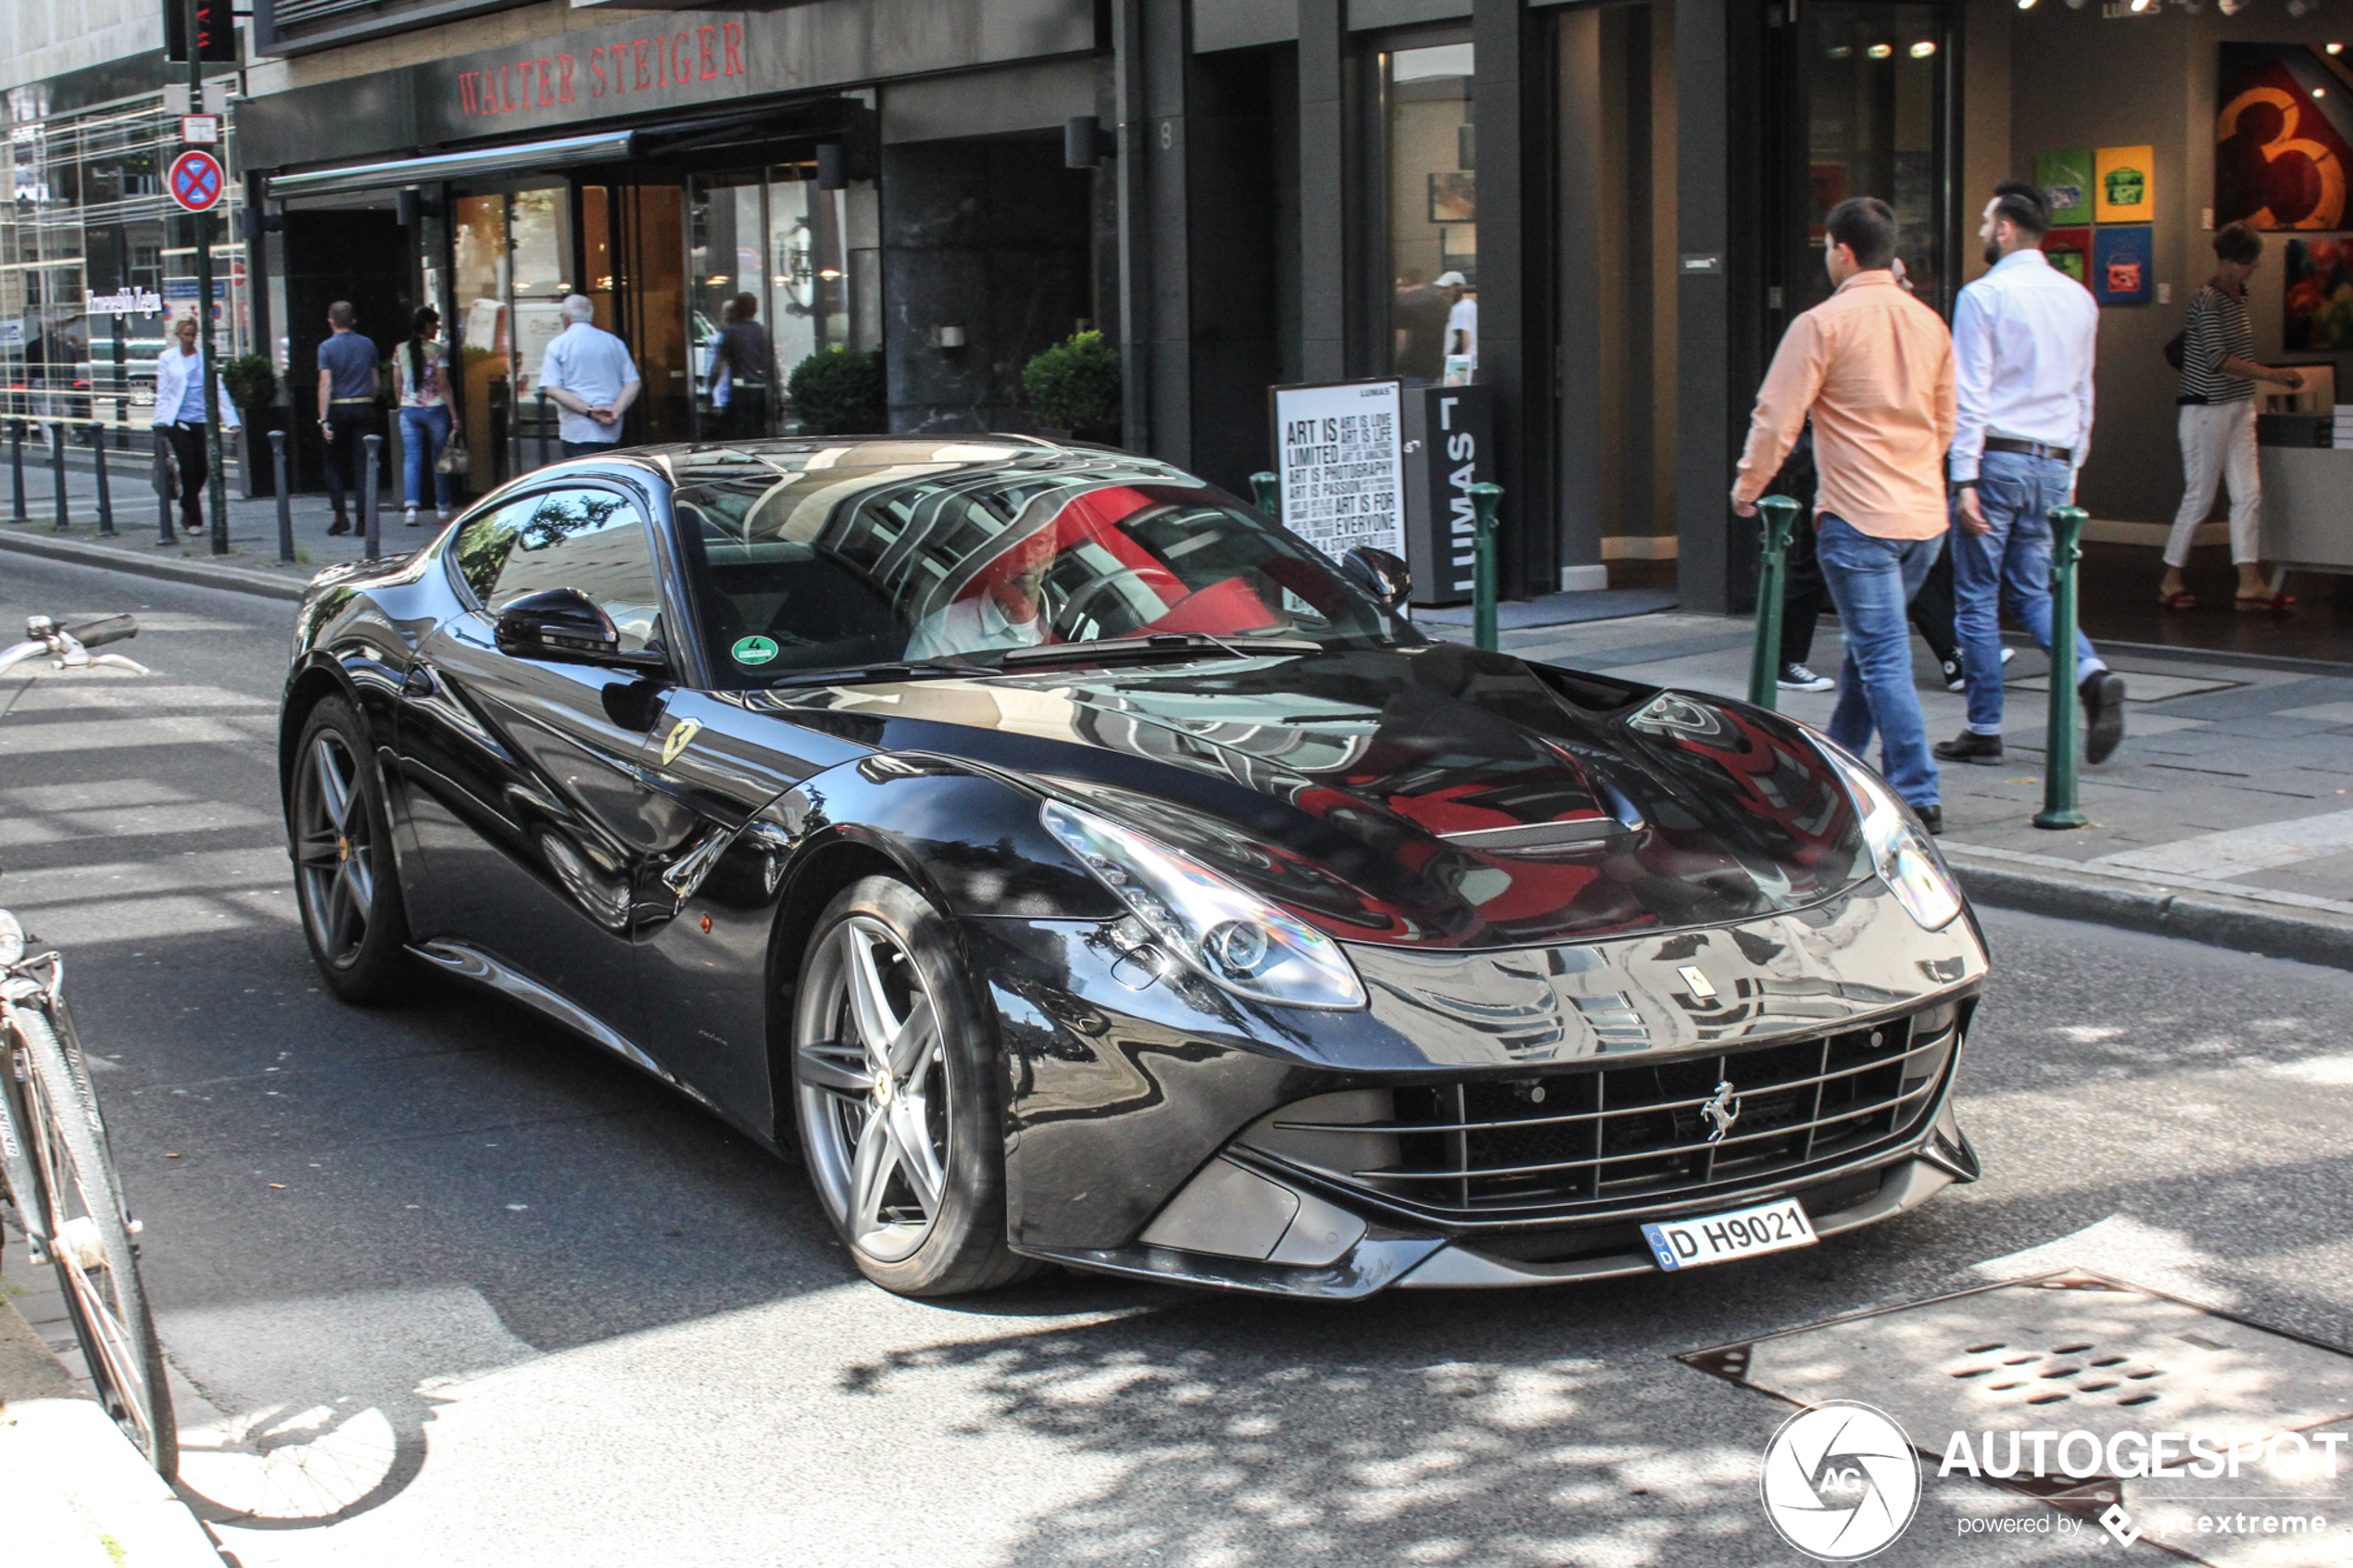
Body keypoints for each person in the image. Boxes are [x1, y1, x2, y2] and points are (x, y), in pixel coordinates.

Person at [1732, 196, 1956, 832]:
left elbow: (1777, 414)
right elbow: (1946, 422)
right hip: (1922, 517)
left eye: (1826, 247)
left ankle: (1917, 786)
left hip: (1859, 515)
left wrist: (1749, 484)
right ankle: (1834, 770)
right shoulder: (1928, 323)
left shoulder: (1821, 323)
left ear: (1842, 250)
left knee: (1881, 655)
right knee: (1870, 650)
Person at [1938, 180, 2126, 768]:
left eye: (1986, 222)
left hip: (1995, 459)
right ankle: (2091, 674)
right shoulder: (2078, 299)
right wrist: (2071, 472)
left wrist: (1963, 475)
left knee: (1975, 594)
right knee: (2033, 591)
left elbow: (1970, 393)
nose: (1980, 233)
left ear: (2006, 229)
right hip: (2051, 461)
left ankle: (1984, 726)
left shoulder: (1983, 296)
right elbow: (2083, 393)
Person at [2161, 222, 2303, 612]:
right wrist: (2272, 375)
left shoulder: (2237, 295)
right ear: (2226, 261)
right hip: (2206, 405)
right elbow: (2217, 360)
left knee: (2248, 494)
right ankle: (2170, 576)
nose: (2251, 268)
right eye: (2245, 262)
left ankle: (2249, 581)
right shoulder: (2205, 300)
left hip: (2239, 404)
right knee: (2200, 496)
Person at [151, 315, 240, 544]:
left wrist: (232, 420)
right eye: (186, 334)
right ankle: (193, 519)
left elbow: (219, 389)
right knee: (189, 466)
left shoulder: (204, 359)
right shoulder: (167, 358)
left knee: (203, 468)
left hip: (202, 419)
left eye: (193, 334)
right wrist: (159, 424)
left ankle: (185, 502)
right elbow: (163, 392)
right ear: (178, 335)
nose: (190, 338)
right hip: (177, 420)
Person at [903, 528, 1056, 659]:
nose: (1025, 557)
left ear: (1052, 555)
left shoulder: (1074, 627)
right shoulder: (943, 634)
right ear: (993, 556)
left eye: (1039, 543)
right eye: (1012, 544)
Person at [538, 295, 642, 458]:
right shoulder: (614, 343)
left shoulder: (558, 345)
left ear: (566, 318)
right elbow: (633, 382)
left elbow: (552, 389)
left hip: (576, 431)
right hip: (611, 431)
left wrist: (590, 412)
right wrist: (616, 410)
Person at [315, 301, 378, 536]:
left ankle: (340, 515)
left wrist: (323, 418)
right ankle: (363, 519)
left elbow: (326, 383)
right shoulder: (367, 345)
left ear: (331, 321)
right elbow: (375, 381)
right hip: (364, 406)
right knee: (364, 464)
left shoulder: (326, 348)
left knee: (332, 462)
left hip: (338, 407)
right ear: (353, 320)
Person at [396, 306, 454, 529]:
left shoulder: (400, 350)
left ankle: (411, 509)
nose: (437, 329)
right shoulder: (438, 351)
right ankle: (442, 507)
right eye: (436, 325)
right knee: (439, 459)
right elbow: (444, 384)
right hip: (436, 408)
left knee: (412, 458)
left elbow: (397, 382)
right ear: (427, 326)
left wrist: (402, 402)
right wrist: (455, 415)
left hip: (409, 409)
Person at [711, 292, 775, 441]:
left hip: (741, 390)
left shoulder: (731, 332)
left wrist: (711, 388)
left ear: (737, 309)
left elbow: (719, 364)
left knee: (741, 432)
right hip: (761, 389)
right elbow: (772, 363)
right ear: (755, 310)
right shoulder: (763, 331)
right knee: (760, 430)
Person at [1390, 270, 1453, 385]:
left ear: (1403, 286)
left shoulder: (1403, 304)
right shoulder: (1440, 301)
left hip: (1410, 370)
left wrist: (1394, 362)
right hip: (1435, 366)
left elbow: (1401, 339)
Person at [1440, 271, 1477, 380]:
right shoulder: (1469, 305)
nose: (1443, 291)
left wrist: (1454, 368)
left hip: (1461, 365)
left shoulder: (1460, 309)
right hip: (1468, 363)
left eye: (1447, 287)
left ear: (1458, 287)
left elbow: (1462, 339)